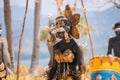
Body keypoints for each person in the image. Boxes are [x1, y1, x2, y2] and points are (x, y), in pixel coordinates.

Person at [47, 15, 84, 80]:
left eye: (61, 32)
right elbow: (54, 67)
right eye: (58, 32)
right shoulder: (56, 46)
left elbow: (81, 68)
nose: (58, 34)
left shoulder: (77, 47)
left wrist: (81, 76)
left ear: (67, 31)